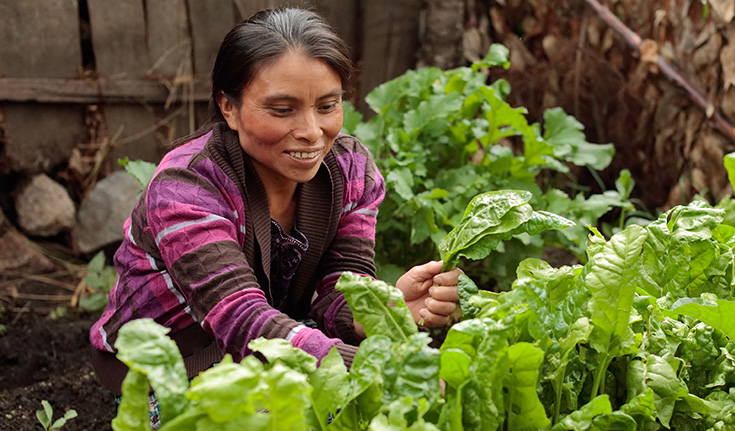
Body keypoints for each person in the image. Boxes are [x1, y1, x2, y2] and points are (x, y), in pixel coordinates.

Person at [89, 7, 462, 396]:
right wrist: (376, 370)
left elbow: (340, 285)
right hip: (172, 362)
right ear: (228, 108)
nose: (312, 132)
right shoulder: (186, 188)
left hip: (275, 342)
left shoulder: (351, 169)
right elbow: (241, 319)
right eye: (283, 110)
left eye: (327, 106)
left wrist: (381, 312)